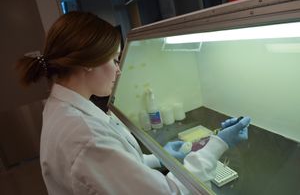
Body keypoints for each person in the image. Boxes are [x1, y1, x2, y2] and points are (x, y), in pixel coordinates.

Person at [16, 11, 251, 195]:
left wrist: (157, 159)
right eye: (114, 59)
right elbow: (170, 193)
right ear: (88, 62)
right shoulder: (84, 136)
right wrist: (219, 143)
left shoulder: (62, 108)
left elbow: (114, 169)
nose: (118, 70)